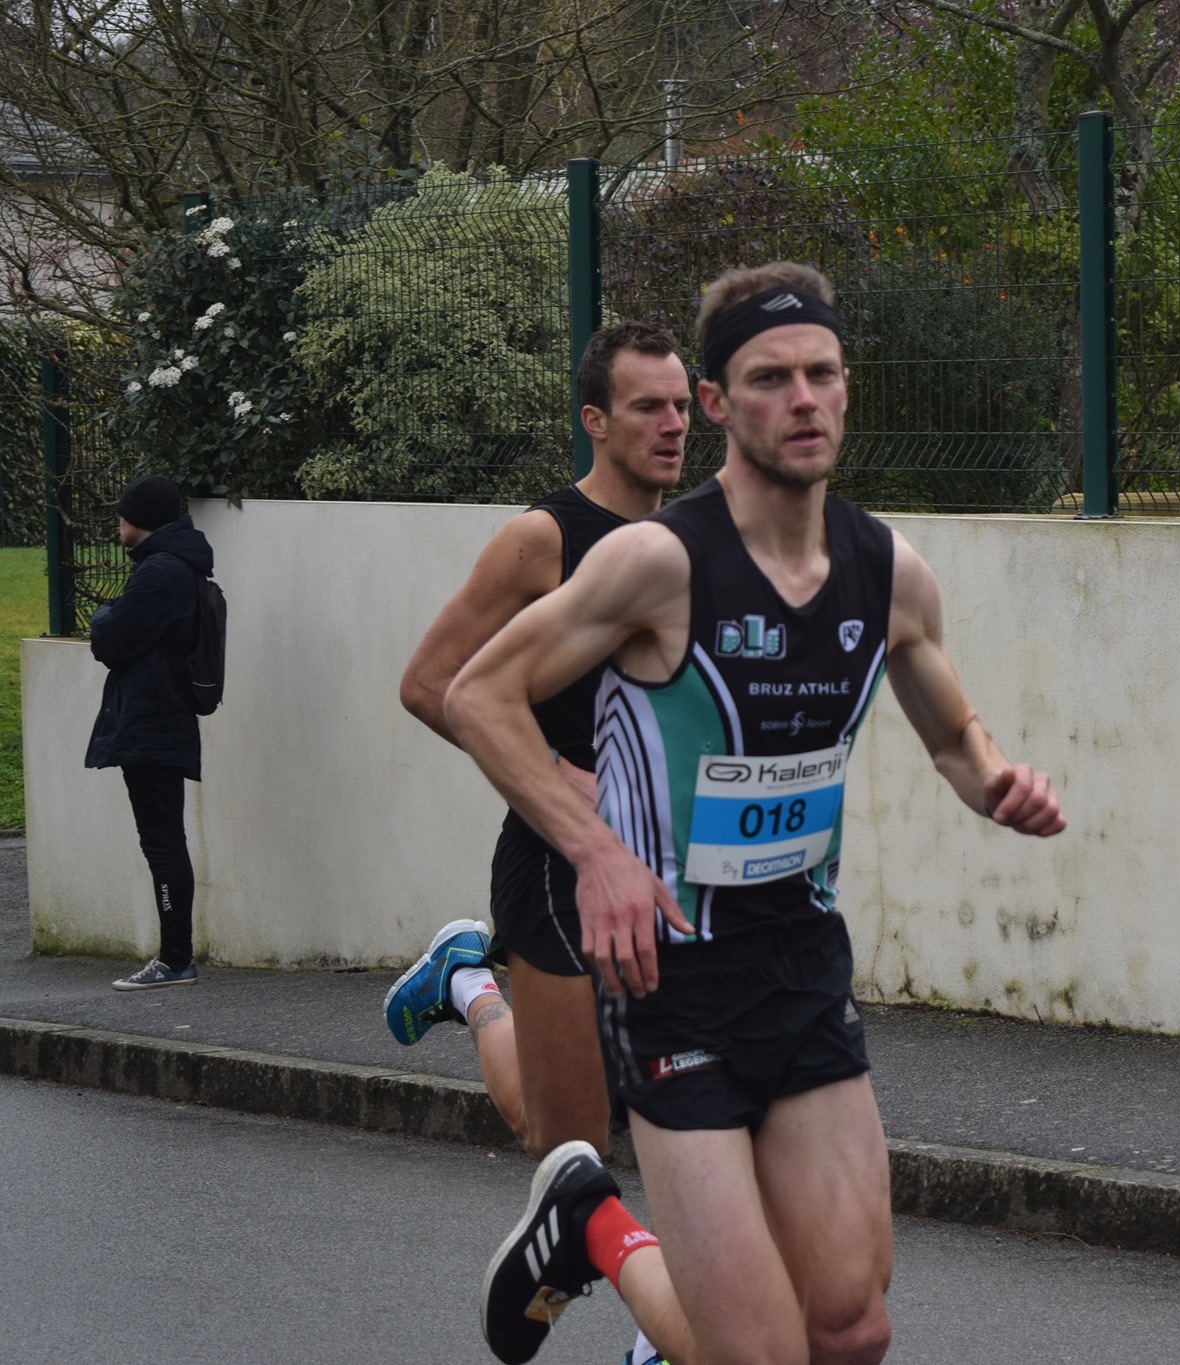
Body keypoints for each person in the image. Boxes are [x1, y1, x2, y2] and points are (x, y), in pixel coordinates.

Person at [443, 260, 1064, 1365]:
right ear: (720, 404)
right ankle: (599, 1228)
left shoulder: (889, 573)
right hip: (673, 980)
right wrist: (594, 851)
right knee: (759, 1355)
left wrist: (999, 781)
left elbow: (954, 737)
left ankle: (584, 1221)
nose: (804, 398)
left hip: (802, 963)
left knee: (853, 1327)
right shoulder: (658, 562)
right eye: (770, 379)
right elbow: (474, 692)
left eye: (823, 373)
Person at [385, 320, 692, 1364]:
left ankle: (670, 1328)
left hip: (663, 872)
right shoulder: (542, 539)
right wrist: (562, 774)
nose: (672, 424)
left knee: (698, 1113)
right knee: (564, 1145)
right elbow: (429, 682)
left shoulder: (693, 537)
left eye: (682, 405)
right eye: (648, 406)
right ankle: (469, 984)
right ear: (594, 419)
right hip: (556, 866)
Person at [88, 474, 216, 991]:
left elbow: (111, 640)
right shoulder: (174, 565)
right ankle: (174, 957)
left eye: (122, 515)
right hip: (162, 717)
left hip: (153, 720)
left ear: (138, 520)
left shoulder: (160, 572)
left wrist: (103, 614)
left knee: (161, 842)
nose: (118, 523)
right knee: (164, 839)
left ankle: (175, 959)